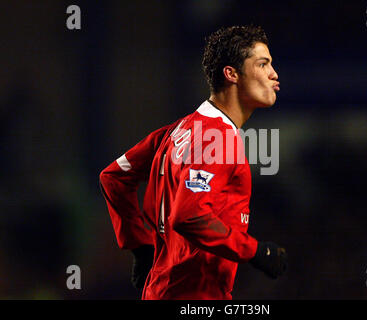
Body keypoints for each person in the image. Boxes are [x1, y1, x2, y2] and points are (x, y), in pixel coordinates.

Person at [99, 25, 287, 300]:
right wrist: (255, 251)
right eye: (263, 64)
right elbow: (189, 214)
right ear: (231, 74)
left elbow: (114, 176)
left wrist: (139, 245)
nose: (274, 74)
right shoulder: (216, 137)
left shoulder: (176, 132)